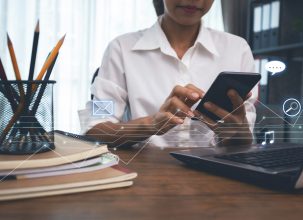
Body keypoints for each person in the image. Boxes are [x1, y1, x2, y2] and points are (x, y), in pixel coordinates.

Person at [79, 0, 258, 148]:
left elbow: (244, 141)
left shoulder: (237, 49)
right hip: (146, 176)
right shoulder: (121, 49)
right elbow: (96, 129)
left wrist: (238, 131)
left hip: (218, 178)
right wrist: (151, 124)